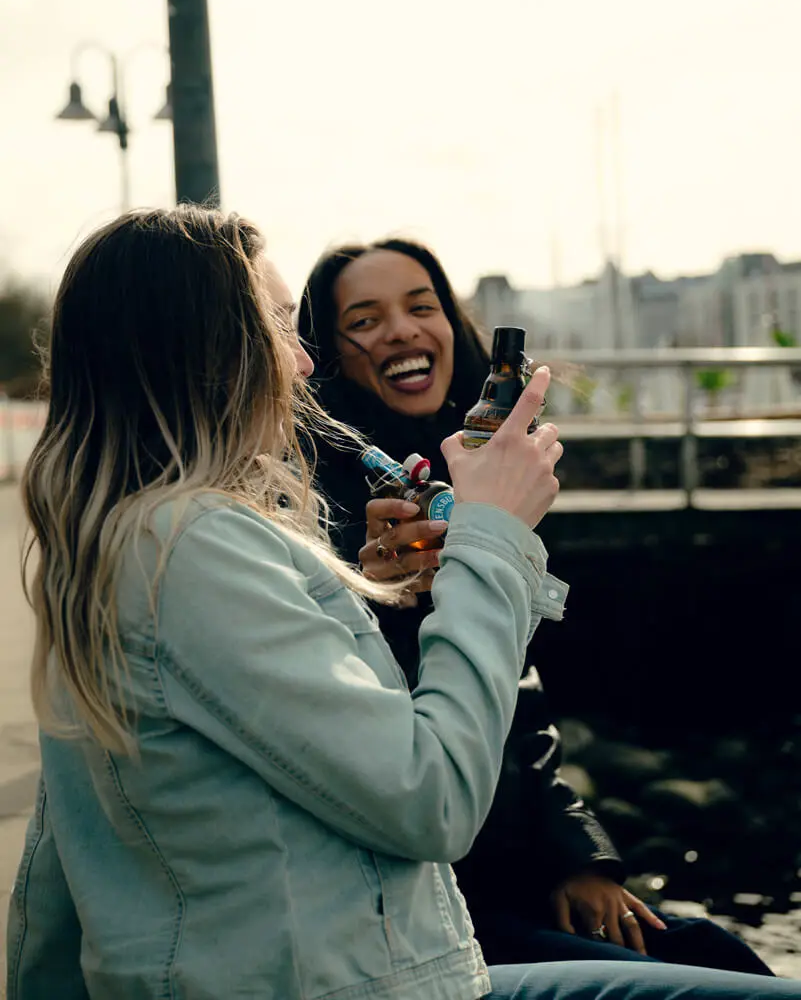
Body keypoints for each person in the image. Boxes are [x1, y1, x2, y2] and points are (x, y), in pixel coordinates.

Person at [7, 209, 796, 1000]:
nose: (304, 362)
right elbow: (432, 802)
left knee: (713, 960)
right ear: (205, 350)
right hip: (370, 975)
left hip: (376, 956)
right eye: (282, 327)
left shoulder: (130, 537)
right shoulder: (189, 546)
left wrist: (399, 594)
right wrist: (490, 539)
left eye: (422, 305)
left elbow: (62, 856)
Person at [298, 236, 776, 979]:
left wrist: (581, 858)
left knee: (713, 950)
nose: (400, 329)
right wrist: (385, 590)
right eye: (363, 320)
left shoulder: (467, 463)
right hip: (424, 897)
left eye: (420, 306)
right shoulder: (322, 503)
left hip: (513, 865)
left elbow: (512, 687)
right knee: (709, 968)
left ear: (454, 332)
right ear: (322, 356)